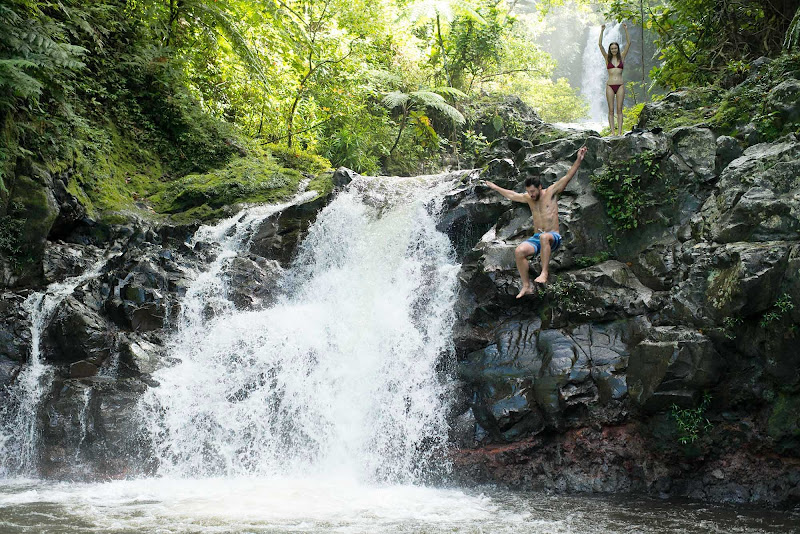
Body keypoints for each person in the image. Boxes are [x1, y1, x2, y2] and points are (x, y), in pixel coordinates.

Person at [482, 146, 588, 298]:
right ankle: (526, 286)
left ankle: (544, 272)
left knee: (545, 237)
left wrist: (578, 159)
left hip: (553, 236)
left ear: (540, 187)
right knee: (519, 251)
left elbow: (567, 177)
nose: (530, 194)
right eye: (528, 191)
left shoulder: (551, 193)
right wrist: (494, 187)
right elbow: (511, 195)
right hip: (537, 238)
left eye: (533, 191)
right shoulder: (528, 198)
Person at [599, 23, 631, 136]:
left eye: (615, 48)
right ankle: (613, 132)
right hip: (610, 86)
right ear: (610, 49)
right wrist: (602, 31)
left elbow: (628, 43)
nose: (613, 50)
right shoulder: (607, 58)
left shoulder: (622, 56)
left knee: (619, 110)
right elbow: (600, 45)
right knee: (611, 110)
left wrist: (626, 29)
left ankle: (620, 132)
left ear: (618, 49)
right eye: (612, 48)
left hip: (620, 85)